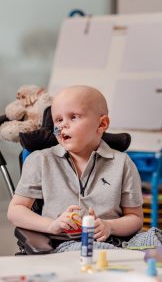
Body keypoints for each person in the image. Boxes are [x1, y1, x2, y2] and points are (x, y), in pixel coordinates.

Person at [7, 85, 143, 246]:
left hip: (112, 243)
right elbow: (15, 211)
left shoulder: (122, 163)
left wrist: (109, 226)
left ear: (102, 124)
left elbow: (135, 218)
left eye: (73, 117)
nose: (62, 125)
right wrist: (51, 225)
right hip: (60, 244)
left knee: (156, 239)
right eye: (58, 120)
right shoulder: (40, 161)